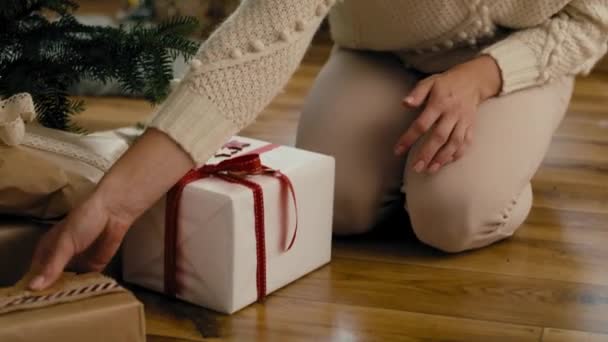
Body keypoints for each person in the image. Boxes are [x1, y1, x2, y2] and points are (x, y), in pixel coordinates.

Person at [27, 0, 608, 290]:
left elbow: (594, 17)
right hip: (376, 52)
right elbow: (253, 48)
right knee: (336, 207)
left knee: (451, 215)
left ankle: (508, 159)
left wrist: (487, 76)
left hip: (521, 59)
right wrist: (116, 202)